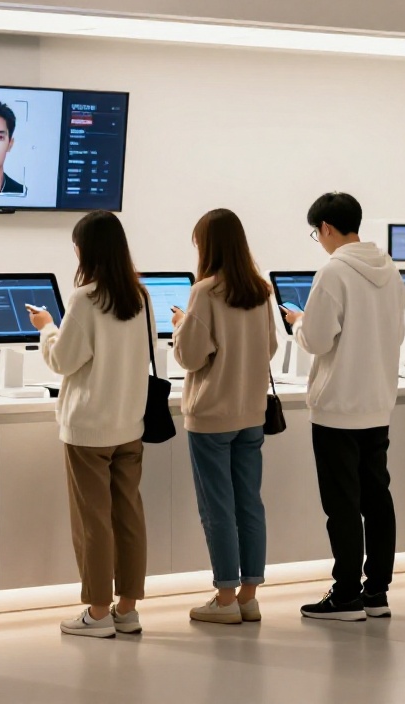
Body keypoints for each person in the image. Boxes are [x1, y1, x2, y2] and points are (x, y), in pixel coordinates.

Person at [28, 209, 153, 639]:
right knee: (129, 516)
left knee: (94, 522)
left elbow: (63, 360)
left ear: (86, 250)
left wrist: (47, 328)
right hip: (129, 425)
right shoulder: (140, 296)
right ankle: (127, 608)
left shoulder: (85, 299)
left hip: (88, 430)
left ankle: (98, 613)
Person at [281, 192, 405, 622]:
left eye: (317, 234)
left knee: (342, 506)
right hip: (377, 404)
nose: (319, 241)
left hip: (336, 409)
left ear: (328, 229)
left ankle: (346, 593)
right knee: (377, 499)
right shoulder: (391, 270)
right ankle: (377, 592)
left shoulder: (333, 272)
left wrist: (298, 324)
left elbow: (316, 340)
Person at [172, 209, 279, 626]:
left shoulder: (204, 292)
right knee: (249, 503)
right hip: (250, 413)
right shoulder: (259, 291)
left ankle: (224, 597)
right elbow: (269, 346)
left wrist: (182, 325)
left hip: (211, 415)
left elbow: (190, 355)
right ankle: (249, 596)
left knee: (217, 508)